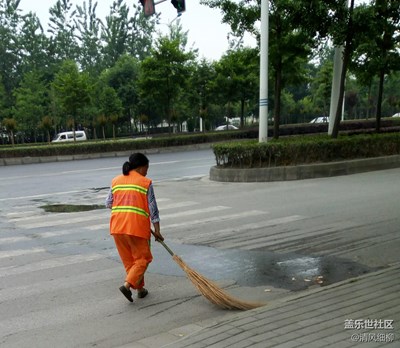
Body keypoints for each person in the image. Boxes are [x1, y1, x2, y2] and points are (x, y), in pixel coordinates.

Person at [105, 153, 164, 302]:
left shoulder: (116, 180)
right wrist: (157, 230)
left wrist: (125, 208)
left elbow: (108, 203)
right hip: (136, 228)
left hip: (117, 227)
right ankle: (127, 286)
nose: (147, 172)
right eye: (146, 168)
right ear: (140, 167)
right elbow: (153, 209)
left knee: (130, 262)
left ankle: (140, 289)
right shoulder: (145, 182)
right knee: (143, 259)